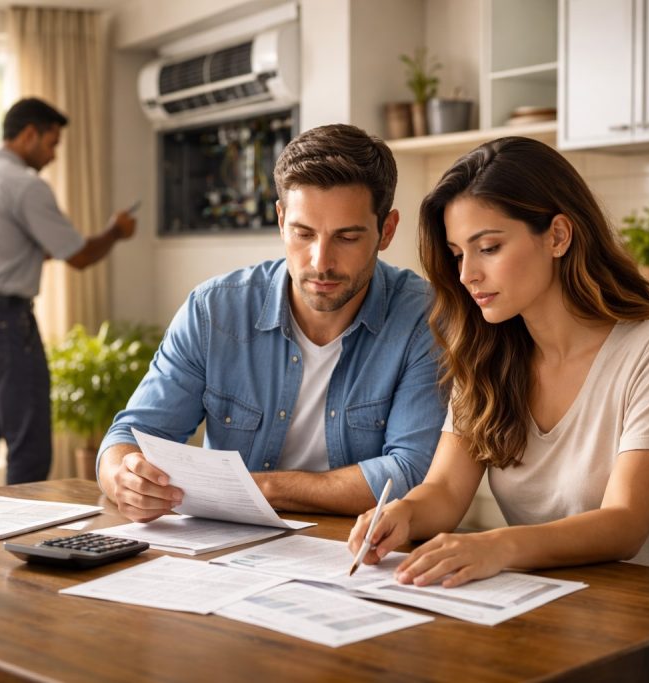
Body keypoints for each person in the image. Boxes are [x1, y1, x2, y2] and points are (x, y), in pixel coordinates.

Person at [348, 136, 649, 591]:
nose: (467, 274)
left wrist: (496, 546)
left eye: (489, 247)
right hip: (549, 609)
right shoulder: (487, 355)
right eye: (458, 254)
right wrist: (403, 512)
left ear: (557, 236)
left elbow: (625, 523)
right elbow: (445, 491)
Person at [97, 123, 446, 522]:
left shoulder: (424, 318)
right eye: (303, 234)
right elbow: (131, 435)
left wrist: (259, 489)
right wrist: (123, 477)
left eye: (347, 238)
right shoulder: (213, 312)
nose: (320, 262)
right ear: (281, 220)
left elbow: (410, 474)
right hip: (227, 545)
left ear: (387, 230)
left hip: (356, 546)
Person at [0, 97, 136, 491]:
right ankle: (22, 528)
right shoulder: (24, 185)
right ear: (29, 134)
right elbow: (80, 256)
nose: (52, 156)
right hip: (3, 321)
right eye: (51, 143)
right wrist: (115, 231)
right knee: (29, 445)